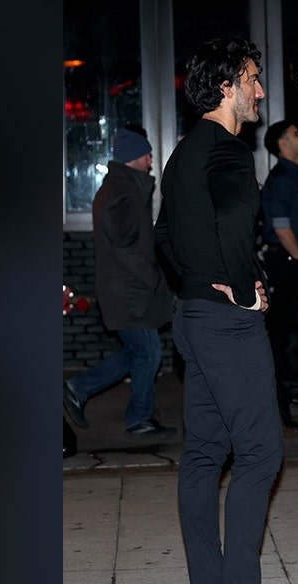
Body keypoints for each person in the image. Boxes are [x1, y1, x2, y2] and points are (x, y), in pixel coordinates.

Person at [153, 36, 298, 584]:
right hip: (226, 322)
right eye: (252, 79)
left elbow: (164, 235)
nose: (260, 91)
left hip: (192, 317)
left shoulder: (183, 153)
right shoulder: (226, 152)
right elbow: (228, 226)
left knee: (202, 453)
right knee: (260, 453)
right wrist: (247, 287)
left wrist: (200, 283)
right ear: (226, 87)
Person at [63, 126, 177, 440]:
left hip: (125, 288)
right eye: (148, 154)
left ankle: (82, 390)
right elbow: (128, 245)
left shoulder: (120, 186)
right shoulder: (125, 189)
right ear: (134, 157)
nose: (151, 161)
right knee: (148, 353)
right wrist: (152, 278)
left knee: (139, 353)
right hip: (130, 289)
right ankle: (132, 414)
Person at [260, 120, 298, 422]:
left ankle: (294, 393)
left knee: (293, 332)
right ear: (283, 144)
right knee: (286, 335)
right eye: (297, 134)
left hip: (290, 260)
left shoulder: (294, 175)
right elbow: (280, 226)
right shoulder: (283, 178)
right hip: (286, 263)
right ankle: (281, 400)